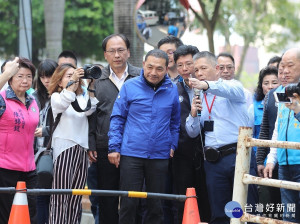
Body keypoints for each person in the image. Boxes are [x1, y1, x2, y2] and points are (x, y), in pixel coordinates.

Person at [108, 49, 181, 224]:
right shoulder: (129, 86)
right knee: (128, 204)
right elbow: (117, 118)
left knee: (156, 205)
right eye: (150, 67)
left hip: (159, 155)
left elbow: (175, 123)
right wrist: (114, 147)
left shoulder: (171, 90)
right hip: (131, 154)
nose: (153, 73)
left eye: (159, 69)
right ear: (143, 65)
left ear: (166, 68)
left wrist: (172, 145)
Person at [185, 51, 258, 224]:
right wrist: (193, 115)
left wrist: (206, 85)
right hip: (213, 160)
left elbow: (229, 90)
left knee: (246, 208)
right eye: (196, 70)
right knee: (219, 211)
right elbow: (192, 132)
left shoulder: (233, 87)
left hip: (237, 155)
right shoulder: (199, 96)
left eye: (203, 68)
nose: (199, 73)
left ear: (217, 69)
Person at [88, 34, 141, 224]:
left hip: (136, 147)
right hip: (105, 146)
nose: (117, 55)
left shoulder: (141, 76)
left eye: (121, 50)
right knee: (107, 198)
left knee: (134, 199)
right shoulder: (96, 80)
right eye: (112, 51)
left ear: (128, 52)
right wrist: (92, 143)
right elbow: (92, 114)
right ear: (105, 55)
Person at [47, 63, 98, 224]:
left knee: (75, 197)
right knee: (60, 196)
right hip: (64, 149)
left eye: (75, 75)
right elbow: (63, 102)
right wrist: (72, 83)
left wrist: (91, 85)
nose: (73, 78)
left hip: (81, 150)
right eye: (68, 76)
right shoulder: (56, 97)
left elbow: (90, 109)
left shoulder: (80, 98)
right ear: (59, 81)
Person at [173, 45, 211, 223]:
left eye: (189, 64)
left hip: (209, 151)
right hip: (182, 152)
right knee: (184, 198)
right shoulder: (172, 88)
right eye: (179, 65)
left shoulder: (209, 86)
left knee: (208, 197)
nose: (185, 69)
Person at [0, 57, 39, 224]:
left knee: (31, 213)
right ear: (10, 78)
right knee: (5, 214)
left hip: (29, 167)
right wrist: (7, 72)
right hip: (5, 167)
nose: (25, 80)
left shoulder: (32, 101)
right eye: (20, 76)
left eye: (29, 76)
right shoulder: (2, 99)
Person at [264, 48, 300, 222]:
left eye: (290, 66)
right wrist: (272, 159)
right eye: (282, 66)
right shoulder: (282, 92)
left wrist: (298, 111)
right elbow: (278, 128)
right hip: (285, 165)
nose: (284, 71)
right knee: (289, 215)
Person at [157, 35, 183, 223]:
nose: (168, 57)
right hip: (161, 149)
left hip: (187, 147)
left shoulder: (190, 81)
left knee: (182, 197)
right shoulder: (155, 81)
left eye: (171, 52)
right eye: (164, 53)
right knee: (162, 197)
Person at [32, 59, 58, 224]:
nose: (46, 80)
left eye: (49, 76)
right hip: (36, 153)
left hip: (59, 151)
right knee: (40, 196)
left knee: (57, 197)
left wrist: (47, 130)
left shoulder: (63, 96)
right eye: (42, 77)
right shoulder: (33, 97)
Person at [248, 66, 279, 154]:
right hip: (261, 159)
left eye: (274, 82)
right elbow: (249, 137)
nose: (270, 87)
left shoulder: (287, 106)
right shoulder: (252, 109)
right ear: (261, 85)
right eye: (266, 83)